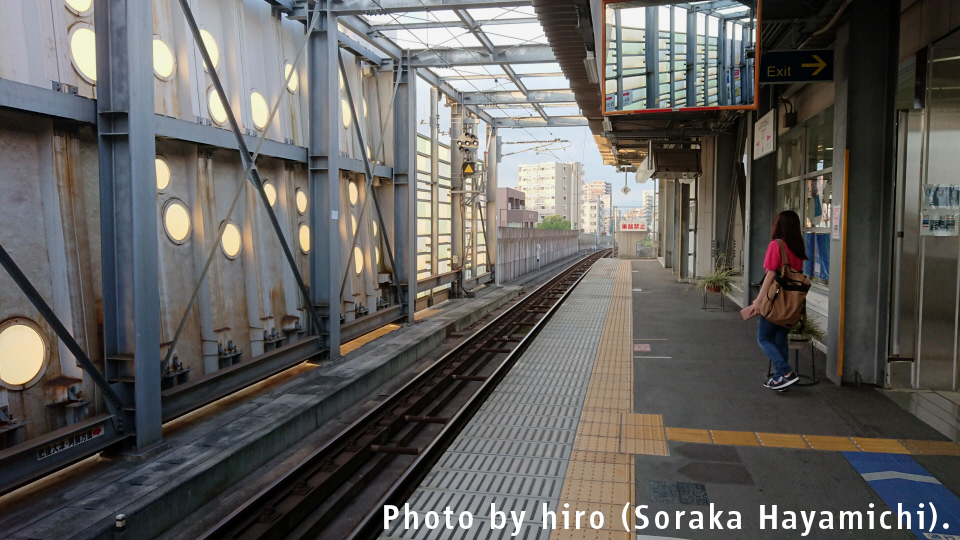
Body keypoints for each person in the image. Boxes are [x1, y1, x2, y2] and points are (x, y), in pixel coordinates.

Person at [743, 210, 808, 390]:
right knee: (780, 338)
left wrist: (758, 301)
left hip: (775, 300)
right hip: (792, 303)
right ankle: (780, 379)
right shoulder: (798, 248)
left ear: (779, 226)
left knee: (763, 338)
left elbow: (771, 275)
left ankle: (786, 372)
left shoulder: (776, 246)